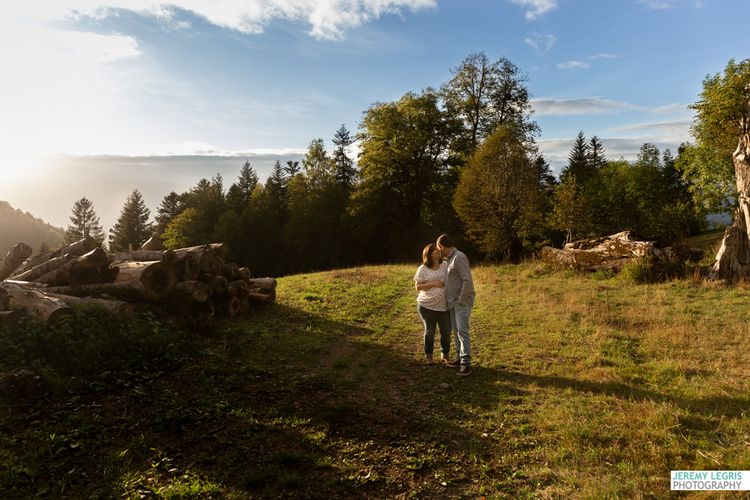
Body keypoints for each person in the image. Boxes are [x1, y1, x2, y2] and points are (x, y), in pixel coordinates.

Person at [437, 234, 475, 376]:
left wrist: (460, 300)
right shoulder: (450, 259)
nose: (438, 251)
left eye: (438, 248)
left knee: (462, 331)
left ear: (441, 246)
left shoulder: (459, 257)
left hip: (460, 302)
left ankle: (466, 363)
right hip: (452, 302)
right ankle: (459, 357)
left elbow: (467, 281)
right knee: (456, 331)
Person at [413, 243, 451, 364]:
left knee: (446, 332)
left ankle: (445, 354)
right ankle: (429, 356)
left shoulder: (445, 265)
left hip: (444, 306)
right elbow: (417, 287)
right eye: (434, 250)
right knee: (430, 332)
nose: (438, 251)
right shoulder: (423, 268)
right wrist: (434, 284)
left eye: (438, 249)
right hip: (426, 306)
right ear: (428, 254)